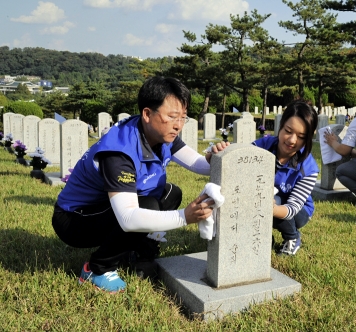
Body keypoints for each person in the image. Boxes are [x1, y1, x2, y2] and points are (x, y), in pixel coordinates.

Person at [52, 76, 229, 293]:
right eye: (172, 117)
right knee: (147, 207)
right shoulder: (119, 153)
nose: (178, 125)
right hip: (75, 219)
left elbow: (198, 164)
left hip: (105, 208)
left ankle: (135, 248)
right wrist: (185, 217)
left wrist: (215, 158)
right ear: (147, 114)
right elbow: (127, 218)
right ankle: (98, 268)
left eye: (183, 117)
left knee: (171, 193)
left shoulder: (161, 134)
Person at [252, 100, 319, 256]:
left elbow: (293, 207)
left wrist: (270, 209)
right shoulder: (263, 146)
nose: (292, 140)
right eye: (288, 131)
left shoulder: (309, 169)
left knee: (273, 200)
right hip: (266, 201)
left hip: (298, 212)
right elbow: (239, 160)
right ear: (281, 125)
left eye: (301, 136)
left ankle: (292, 237)